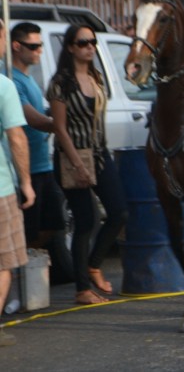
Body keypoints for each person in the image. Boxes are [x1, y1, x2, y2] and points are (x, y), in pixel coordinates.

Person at [47, 24, 127, 305]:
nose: (89, 46)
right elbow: (59, 127)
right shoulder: (60, 83)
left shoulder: (96, 77)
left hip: (100, 153)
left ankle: (94, 264)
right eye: (83, 42)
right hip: (72, 157)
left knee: (119, 212)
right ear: (70, 47)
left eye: (92, 41)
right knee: (85, 221)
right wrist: (77, 163)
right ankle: (82, 289)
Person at [9, 23, 73, 280]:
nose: (39, 51)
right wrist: (61, 125)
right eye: (34, 46)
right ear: (16, 46)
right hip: (27, 168)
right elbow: (32, 119)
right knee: (29, 229)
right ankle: (18, 279)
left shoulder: (29, 79)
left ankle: (28, 273)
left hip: (42, 164)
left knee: (52, 225)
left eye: (40, 46)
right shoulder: (11, 79)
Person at [0, 20, 33, 346]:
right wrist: (26, 181)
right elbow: (17, 138)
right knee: (2, 263)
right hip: (0, 190)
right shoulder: (4, 86)